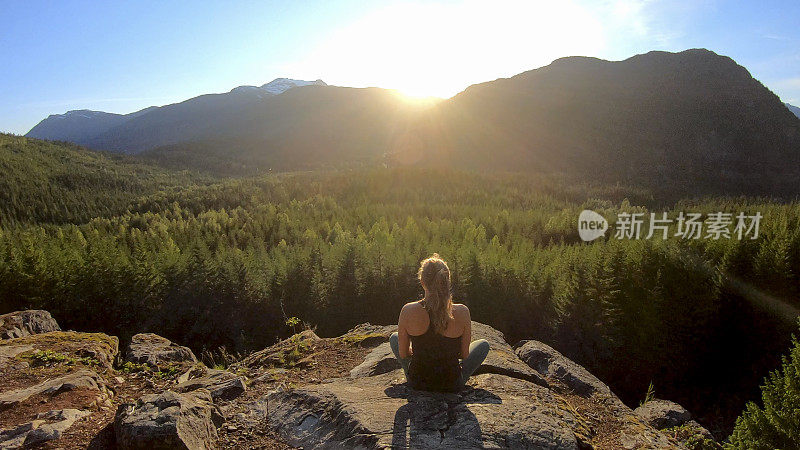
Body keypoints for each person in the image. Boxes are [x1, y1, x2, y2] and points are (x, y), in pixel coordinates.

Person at [390, 253, 489, 392]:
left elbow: (403, 354)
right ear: (447, 281)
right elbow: (464, 355)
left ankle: (411, 374)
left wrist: (423, 353)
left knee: (394, 338)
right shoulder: (462, 311)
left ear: (422, 281)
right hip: (451, 384)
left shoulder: (408, 310)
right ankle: (459, 378)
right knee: (483, 345)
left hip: (418, 383)